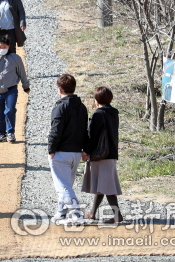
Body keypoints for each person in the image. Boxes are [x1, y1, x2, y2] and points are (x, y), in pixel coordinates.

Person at [48, 74, 88, 224]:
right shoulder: (82, 107)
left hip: (61, 152)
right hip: (76, 152)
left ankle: (76, 214)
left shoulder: (60, 107)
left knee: (63, 187)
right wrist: (85, 149)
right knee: (67, 184)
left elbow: (55, 130)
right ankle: (61, 212)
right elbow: (85, 130)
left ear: (60, 89)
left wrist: (51, 149)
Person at [82, 86, 123, 223]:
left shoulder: (98, 115)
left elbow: (93, 138)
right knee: (102, 183)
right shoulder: (114, 114)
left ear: (96, 99)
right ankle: (92, 212)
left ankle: (117, 215)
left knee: (108, 185)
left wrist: (86, 151)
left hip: (100, 155)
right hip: (110, 153)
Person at [0, 35, 30, 143]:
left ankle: (10, 133)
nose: (2, 49)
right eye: (0, 46)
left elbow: (22, 73)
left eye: (4, 46)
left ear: (8, 46)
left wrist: (25, 86)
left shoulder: (15, 58)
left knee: (10, 110)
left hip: (11, 90)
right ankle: (1, 134)